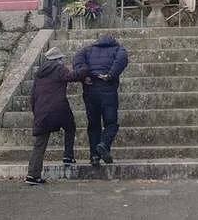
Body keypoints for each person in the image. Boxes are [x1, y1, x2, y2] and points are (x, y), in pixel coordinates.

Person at [25, 47, 81, 185]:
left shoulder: (39, 73)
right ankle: (68, 156)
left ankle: (32, 175)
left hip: (41, 111)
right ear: (58, 59)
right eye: (61, 59)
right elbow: (72, 77)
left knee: (40, 144)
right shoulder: (59, 69)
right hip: (58, 108)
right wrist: (85, 69)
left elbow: (32, 96)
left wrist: (36, 112)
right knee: (70, 126)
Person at [73, 35, 128, 166]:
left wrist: (83, 77)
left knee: (93, 124)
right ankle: (104, 144)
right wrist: (110, 75)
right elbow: (121, 60)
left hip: (90, 89)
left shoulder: (87, 50)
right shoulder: (118, 49)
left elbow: (77, 60)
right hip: (108, 89)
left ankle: (94, 156)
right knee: (111, 123)